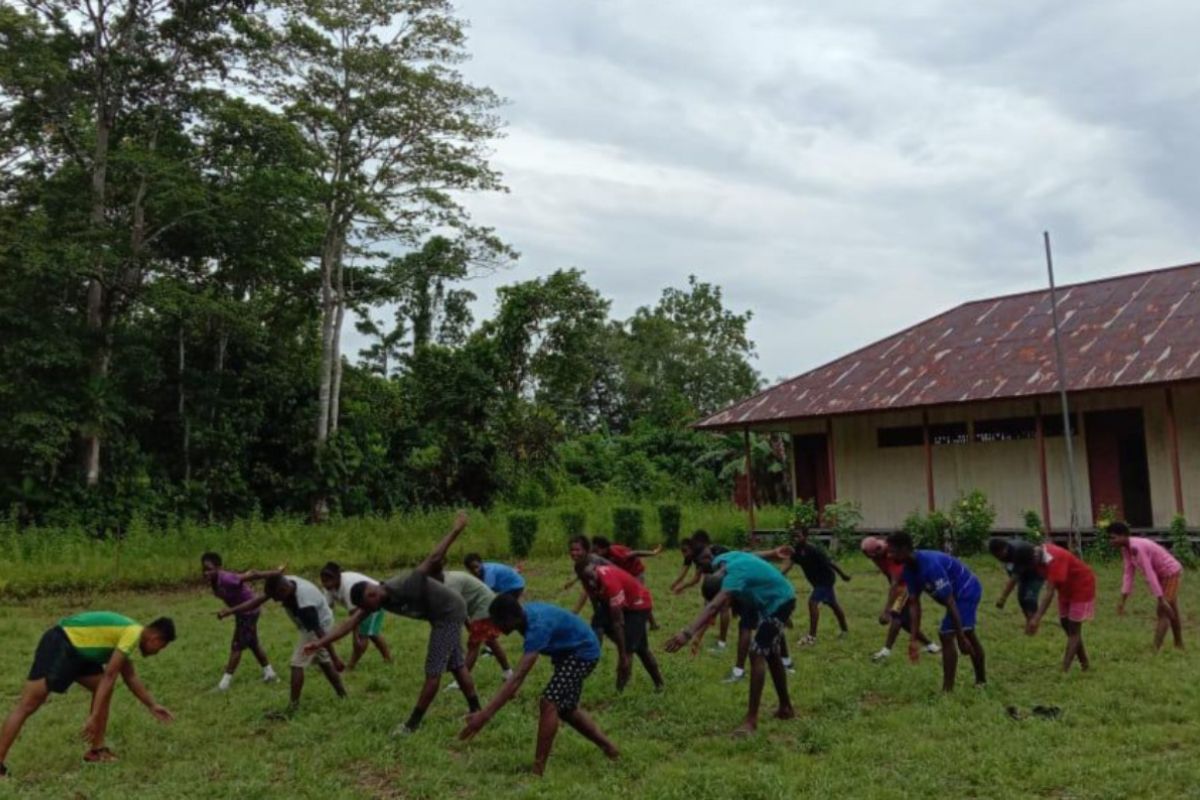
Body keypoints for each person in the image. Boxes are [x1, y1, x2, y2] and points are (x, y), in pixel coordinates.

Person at [303, 512, 480, 735]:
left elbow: (433, 558)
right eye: (369, 600)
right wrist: (320, 643)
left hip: (448, 613)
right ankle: (476, 709)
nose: (374, 597)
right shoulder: (373, 603)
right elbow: (348, 624)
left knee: (433, 671)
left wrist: (456, 529)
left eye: (372, 592)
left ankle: (411, 725)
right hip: (441, 613)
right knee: (456, 664)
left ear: (374, 588)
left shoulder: (402, 584)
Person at [459, 596, 618, 776]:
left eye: (500, 622)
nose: (499, 628)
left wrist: (484, 715)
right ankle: (610, 748)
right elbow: (516, 680)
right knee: (567, 709)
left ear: (512, 618)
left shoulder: (537, 627)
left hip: (582, 653)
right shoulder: (523, 618)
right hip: (568, 652)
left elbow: (518, 676)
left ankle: (537, 770)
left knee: (549, 702)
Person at [0, 612, 176, 775]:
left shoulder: (131, 633)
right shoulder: (132, 633)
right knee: (28, 704)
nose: (156, 652)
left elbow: (130, 676)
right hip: (62, 643)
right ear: (155, 638)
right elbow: (110, 676)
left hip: (82, 653)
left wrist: (152, 705)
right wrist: (94, 715)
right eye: (160, 648)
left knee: (101, 687)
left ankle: (96, 751)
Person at [666, 550, 796, 736]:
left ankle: (751, 720)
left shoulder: (733, 578)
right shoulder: (722, 561)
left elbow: (713, 607)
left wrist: (687, 633)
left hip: (780, 601)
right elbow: (752, 554)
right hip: (767, 599)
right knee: (771, 652)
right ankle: (786, 708)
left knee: (757, 652)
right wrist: (773, 553)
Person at [220, 573, 347, 715]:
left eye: (275, 597)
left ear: (283, 591)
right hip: (316, 623)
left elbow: (320, 633)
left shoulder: (305, 604)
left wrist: (336, 657)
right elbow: (257, 601)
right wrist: (231, 611)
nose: (274, 601)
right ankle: (343, 696)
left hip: (319, 626)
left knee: (297, 663)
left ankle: (292, 709)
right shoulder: (283, 583)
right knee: (324, 661)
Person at [886, 531, 986, 692]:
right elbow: (914, 605)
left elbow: (950, 601)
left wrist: (959, 637)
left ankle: (949, 690)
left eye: (892, 551)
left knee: (949, 634)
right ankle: (980, 681)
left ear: (904, 549)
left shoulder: (930, 566)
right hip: (955, 595)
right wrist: (913, 639)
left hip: (967, 589)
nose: (889, 555)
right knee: (967, 633)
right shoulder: (909, 570)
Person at [579, 561, 665, 691]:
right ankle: (659, 684)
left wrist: (623, 652)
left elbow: (617, 622)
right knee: (637, 647)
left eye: (591, 577)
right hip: (623, 604)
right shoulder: (588, 579)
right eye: (586, 579)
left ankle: (620, 691)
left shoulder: (610, 584)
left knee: (630, 651)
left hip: (638, 605)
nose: (590, 582)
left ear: (595, 570)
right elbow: (598, 607)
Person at [201, 552, 279, 690]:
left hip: (249, 611)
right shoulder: (215, 581)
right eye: (204, 569)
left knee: (237, 646)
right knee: (253, 643)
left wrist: (275, 573)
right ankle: (270, 673)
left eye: (209, 569)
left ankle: (224, 684)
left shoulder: (226, 578)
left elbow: (253, 574)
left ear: (218, 567)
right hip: (242, 612)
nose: (206, 573)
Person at [860, 537, 939, 661]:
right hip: (901, 584)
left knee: (896, 615)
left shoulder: (891, 556)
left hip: (906, 585)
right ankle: (931, 645)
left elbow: (895, 584)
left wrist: (886, 610)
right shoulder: (877, 555)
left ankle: (886, 651)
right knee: (905, 622)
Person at [1022, 542, 1096, 672]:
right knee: (1066, 624)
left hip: (1081, 587)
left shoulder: (1055, 559)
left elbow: (1049, 592)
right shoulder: (1037, 557)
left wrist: (1036, 618)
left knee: (1074, 628)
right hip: (1065, 588)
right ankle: (1085, 663)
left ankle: (1064, 670)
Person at [432, 565, 514, 681]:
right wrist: (468, 626)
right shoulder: (443, 581)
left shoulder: (450, 584)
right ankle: (508, 672)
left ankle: (461, 682)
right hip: (481, 605)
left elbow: (455, 610)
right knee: (491, 641)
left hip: (484, 606)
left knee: (473, 645)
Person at [1110, 522, 1184, 650]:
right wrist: (1123, 600)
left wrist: (1160, 599)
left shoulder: (1137, 547)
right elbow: (1128, 573)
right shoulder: (1126, 549)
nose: (1111, 541)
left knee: (1163, 611)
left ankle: (1155, 649)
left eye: (1113, 537)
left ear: (1123, 535)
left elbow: (1149, 573)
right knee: (1171, 609)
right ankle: (1179, 644)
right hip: (1161, 574)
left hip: (1170, 572)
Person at [775, 528, 851, 646]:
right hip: (817, 582)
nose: (795, 539)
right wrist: (777, 577)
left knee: (812, 603)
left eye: (798, 536)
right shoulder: (796, 552)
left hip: (826, 580)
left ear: (805, 537)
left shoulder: (813, 550)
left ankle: (812, 636)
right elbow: (788, 566)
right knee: (833, 604)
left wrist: (843, 575)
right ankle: (845, 630)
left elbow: (830, 562)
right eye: (794, 537)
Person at [318, 562, 393, 670]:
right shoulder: (329, 588)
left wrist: (355, 637)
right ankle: (388, 659)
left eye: (329, 580)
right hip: (362, 605)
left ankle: (350, 667)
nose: (326, 584)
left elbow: (354, 616)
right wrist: (329, 631)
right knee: (371, 633)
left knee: (362, 637)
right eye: (323, 581)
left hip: (375, 600)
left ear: (338, 576)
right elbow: (328, 609)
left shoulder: (348, 586)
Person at [591, 536, 663, 629]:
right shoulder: (599, 556)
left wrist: (653, 553)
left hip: (635, 572)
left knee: (639, 599)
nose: (595, 554)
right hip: (624, 576)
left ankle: (653, 624)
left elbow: (635, 553)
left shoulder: (616, 553)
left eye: (597, 551)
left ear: (605, 548)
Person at [987, 538, 1046, 624]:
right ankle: (1029, 621)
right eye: (996, 556)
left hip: (1036, 572)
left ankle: (1033, 623)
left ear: (1005, 549)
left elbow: (1014, 578)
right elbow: (1011, 571)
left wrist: (1003, 598)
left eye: (999, 555)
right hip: (1024, 573)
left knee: (1030, 598)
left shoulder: (1018, 551)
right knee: (1021, 598)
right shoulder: (1002, 555)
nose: (999, 558)